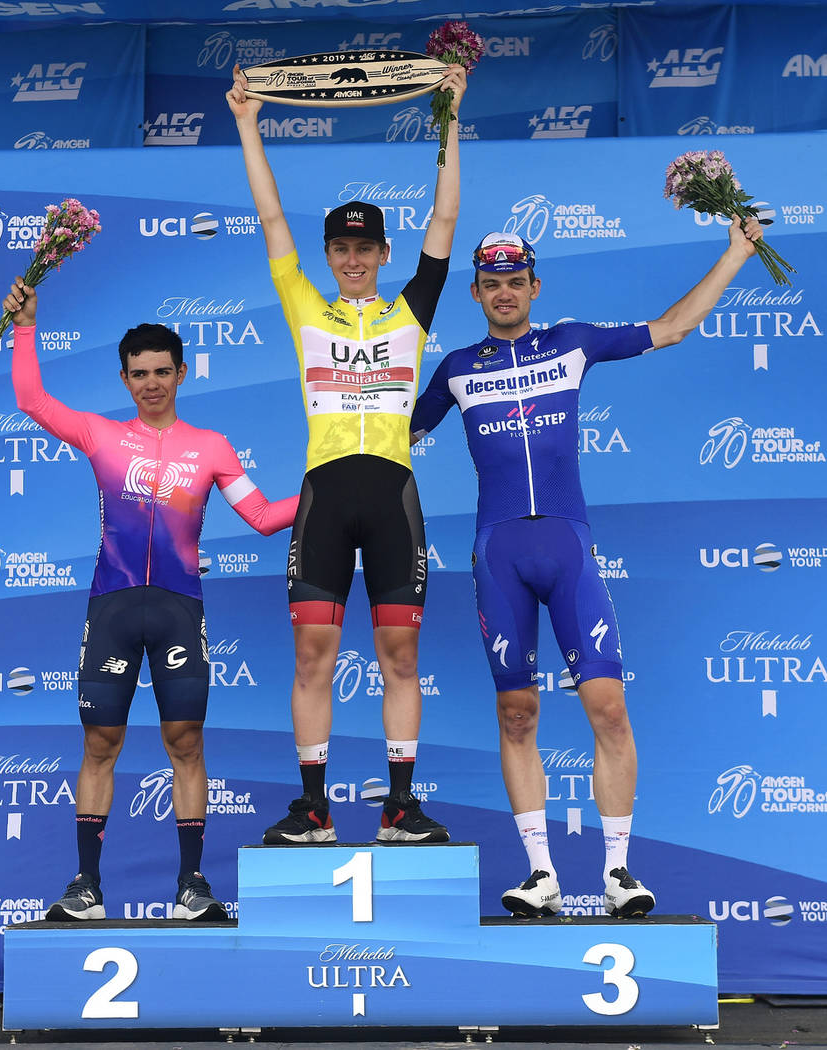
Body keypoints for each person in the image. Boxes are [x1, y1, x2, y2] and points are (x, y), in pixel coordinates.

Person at [410, 217, 764, 915]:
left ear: (534, 287)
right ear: (475, 295)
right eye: (492, 286)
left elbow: (672, 327)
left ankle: (619, 872)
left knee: (607, 707)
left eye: (515, 283)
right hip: (498, 552)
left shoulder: (570, 342)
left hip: (567, 547)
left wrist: (738, 252)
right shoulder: (456, 369)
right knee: (516, 713)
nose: (505, 294)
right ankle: (539, 874)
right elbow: (394, 432)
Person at [226, 61, 467, 845]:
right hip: (326, 495)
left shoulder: (410, 310)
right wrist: (247, 125)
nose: (354, 258)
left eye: (365, 247)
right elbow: (270, 224)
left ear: (383, 251)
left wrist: (449, 116)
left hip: (393, 492)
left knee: (400, 654)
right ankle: (315, 807)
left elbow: (445, 223)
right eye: (342, 247)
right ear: (330, 254)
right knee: (313, 656)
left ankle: (399, 806)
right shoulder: (305, 305)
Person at [5, 278, 298, 921]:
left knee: (186, 741)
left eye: (163, 371)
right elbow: (31, 398)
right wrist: (26, 324)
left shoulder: (212, 446)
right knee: (100, 743)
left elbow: (266, 516)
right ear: (124, 379)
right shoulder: (100, 436)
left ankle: (192, 886)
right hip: (112, 606)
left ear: (183, 373)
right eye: (139, 374)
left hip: (176, 609)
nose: (152, 383)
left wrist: (332, 490)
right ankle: (86, 887)